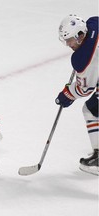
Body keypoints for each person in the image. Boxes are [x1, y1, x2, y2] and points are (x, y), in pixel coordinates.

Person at [56, 14, 98, 175]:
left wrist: (67, 94)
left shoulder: (84, 58)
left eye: (70, 40)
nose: (68, 44)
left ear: (80, 36)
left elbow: (85, 89)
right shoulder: (95, 23)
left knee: (91, 111)